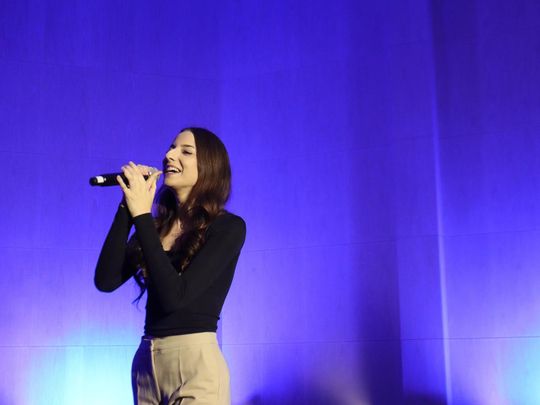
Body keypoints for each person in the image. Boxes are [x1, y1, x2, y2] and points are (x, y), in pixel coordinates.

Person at [94, 127, 246, 405]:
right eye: (171, 148)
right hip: (147, 363)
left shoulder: (228, 227)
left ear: (210, 166)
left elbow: (176, 296)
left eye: (186, 152)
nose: (169, 156)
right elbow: (105, 280)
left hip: (195, 366)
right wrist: (127, 208)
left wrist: (141, 214)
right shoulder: (155, 228)